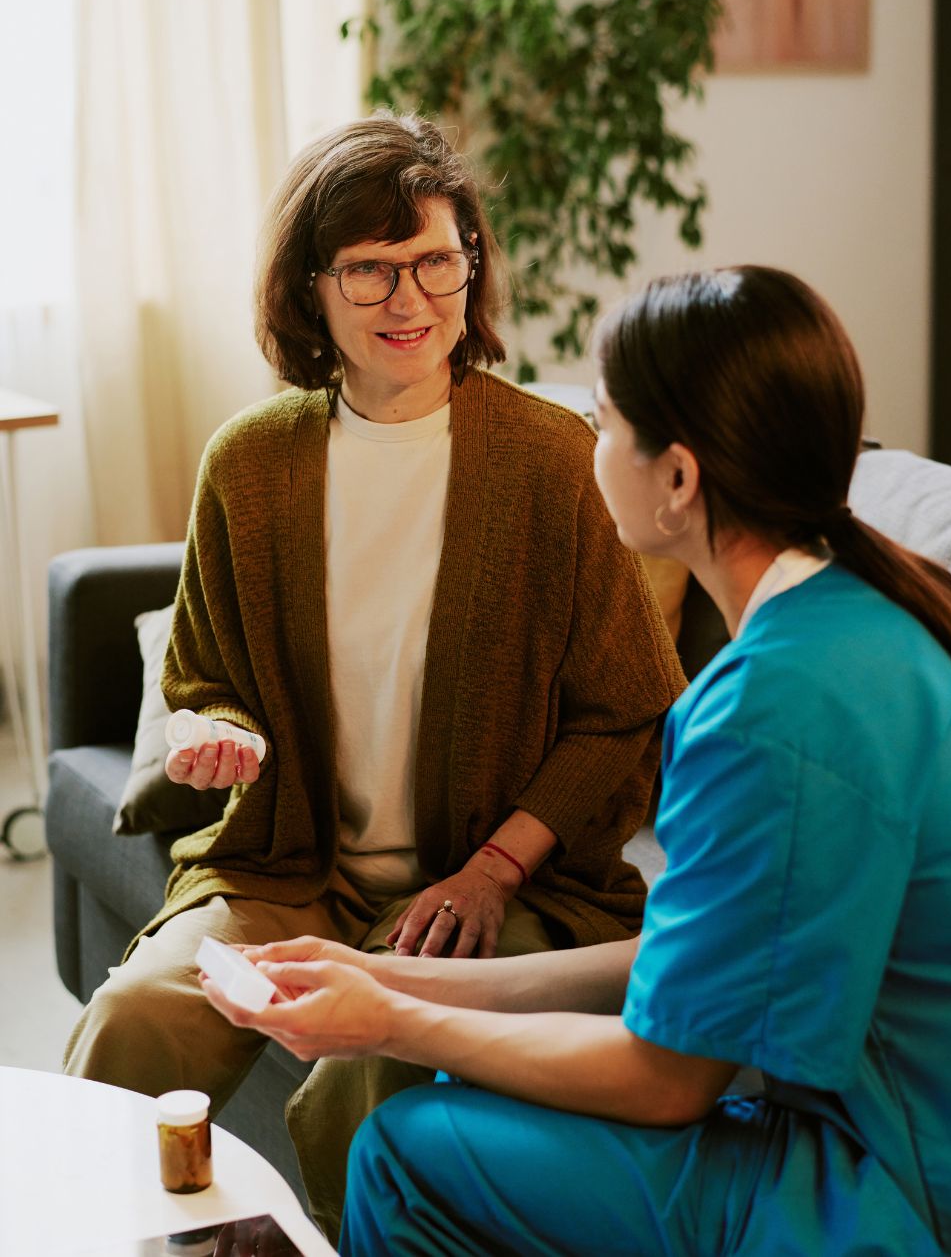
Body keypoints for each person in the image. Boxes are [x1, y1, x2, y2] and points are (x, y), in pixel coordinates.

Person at [201, 265, 951, 1257]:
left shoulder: (767, 704)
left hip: (895, 1190)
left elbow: (670, 1079)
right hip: (929, 1143)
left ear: (677, 477)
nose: (589, 449)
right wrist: (384, 977)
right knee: (459, 1089)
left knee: (407, 1144)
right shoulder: (874, 609)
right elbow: (693, 966)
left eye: (606, 422)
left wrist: (384, 1023)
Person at [63, 114, 684, 1240]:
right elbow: (205, 674)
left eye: (435, 261)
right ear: (312, 290)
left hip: (489, 890)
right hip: (288, 866)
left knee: (368, 1065)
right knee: (133, 1014)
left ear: (471, 267)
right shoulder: (250, 464)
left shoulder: (556, 461)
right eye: (369, 269)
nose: (409, 300)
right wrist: (220, 731)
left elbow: (626, 710)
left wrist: (494, 869)